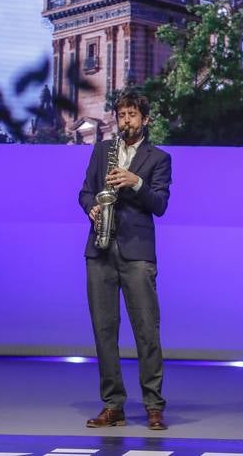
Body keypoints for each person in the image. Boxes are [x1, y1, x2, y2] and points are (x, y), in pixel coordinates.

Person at [78, 91, 172, 431]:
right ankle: (113, 405)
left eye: (132, 114)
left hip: (137, 255)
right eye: (121, 115)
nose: (126, 120)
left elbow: (160, 204)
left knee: (147, 332)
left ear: (145, 119)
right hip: (100, 250)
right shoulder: (102, 151)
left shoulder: (159, 159)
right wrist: (90, 206)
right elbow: (85, 191)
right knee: (104, 332)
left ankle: (153, 405)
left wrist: (136, 182)